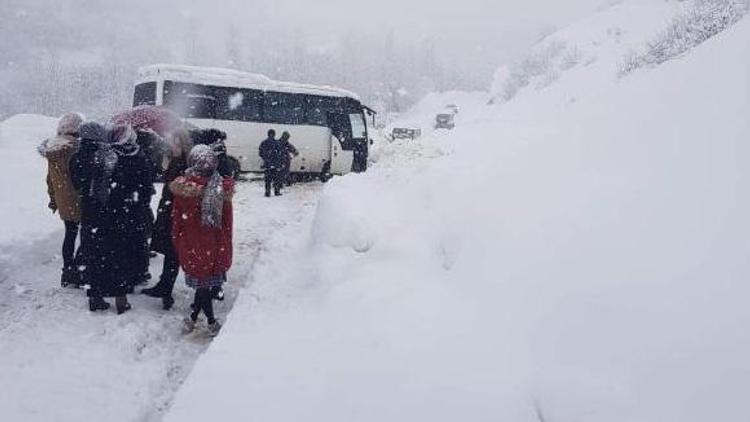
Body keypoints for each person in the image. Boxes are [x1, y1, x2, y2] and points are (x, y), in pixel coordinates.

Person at [171, 145, 234, 336]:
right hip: (214, 244)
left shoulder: (183, 188)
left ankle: (199, 320)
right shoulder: (221, 187)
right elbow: (227, 222)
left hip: (192, 244)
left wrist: (178, 240)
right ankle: (208, 321)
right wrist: (225, 243)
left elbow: (176, 221)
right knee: (204, 286)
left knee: (202, 286)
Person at [143, 129, 192, 310]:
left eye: (177, 144)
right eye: (173, 143)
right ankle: (164, 286)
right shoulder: (175, 160)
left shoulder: (185, 164)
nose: (174, 146)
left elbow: (178, 188)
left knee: (173, 251)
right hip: (169, 210)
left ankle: (166, 290)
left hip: (176, 212)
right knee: (170, 251)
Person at [38, 113, 84, 288]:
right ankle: (76, 270)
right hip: (79, 199)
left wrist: (53, 199)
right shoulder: (75, 149)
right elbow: (80, 177)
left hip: (63, 201)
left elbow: (50, 179)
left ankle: (67, 271)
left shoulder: (53, 151)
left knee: (70, 235)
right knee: (87, 235)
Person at [69, 121, 111, 311]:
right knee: (100, 251)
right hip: (103, 208)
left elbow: (77, 184)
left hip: (87, 206)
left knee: (88, 246)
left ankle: (82, 278)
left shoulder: (77, 157)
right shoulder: (105, 155)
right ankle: (95, 294)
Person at [258, 129, 284, 197]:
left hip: (267, 164)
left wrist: (266, 158)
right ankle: (277, 191)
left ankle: (267, 192)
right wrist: (279, 162)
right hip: (275, 164)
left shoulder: (264, 142)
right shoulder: (277, 143)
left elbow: (260, 153)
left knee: (268, 180)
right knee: (276, 179)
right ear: (274, 134)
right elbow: (281, 153)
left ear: (268, 134)